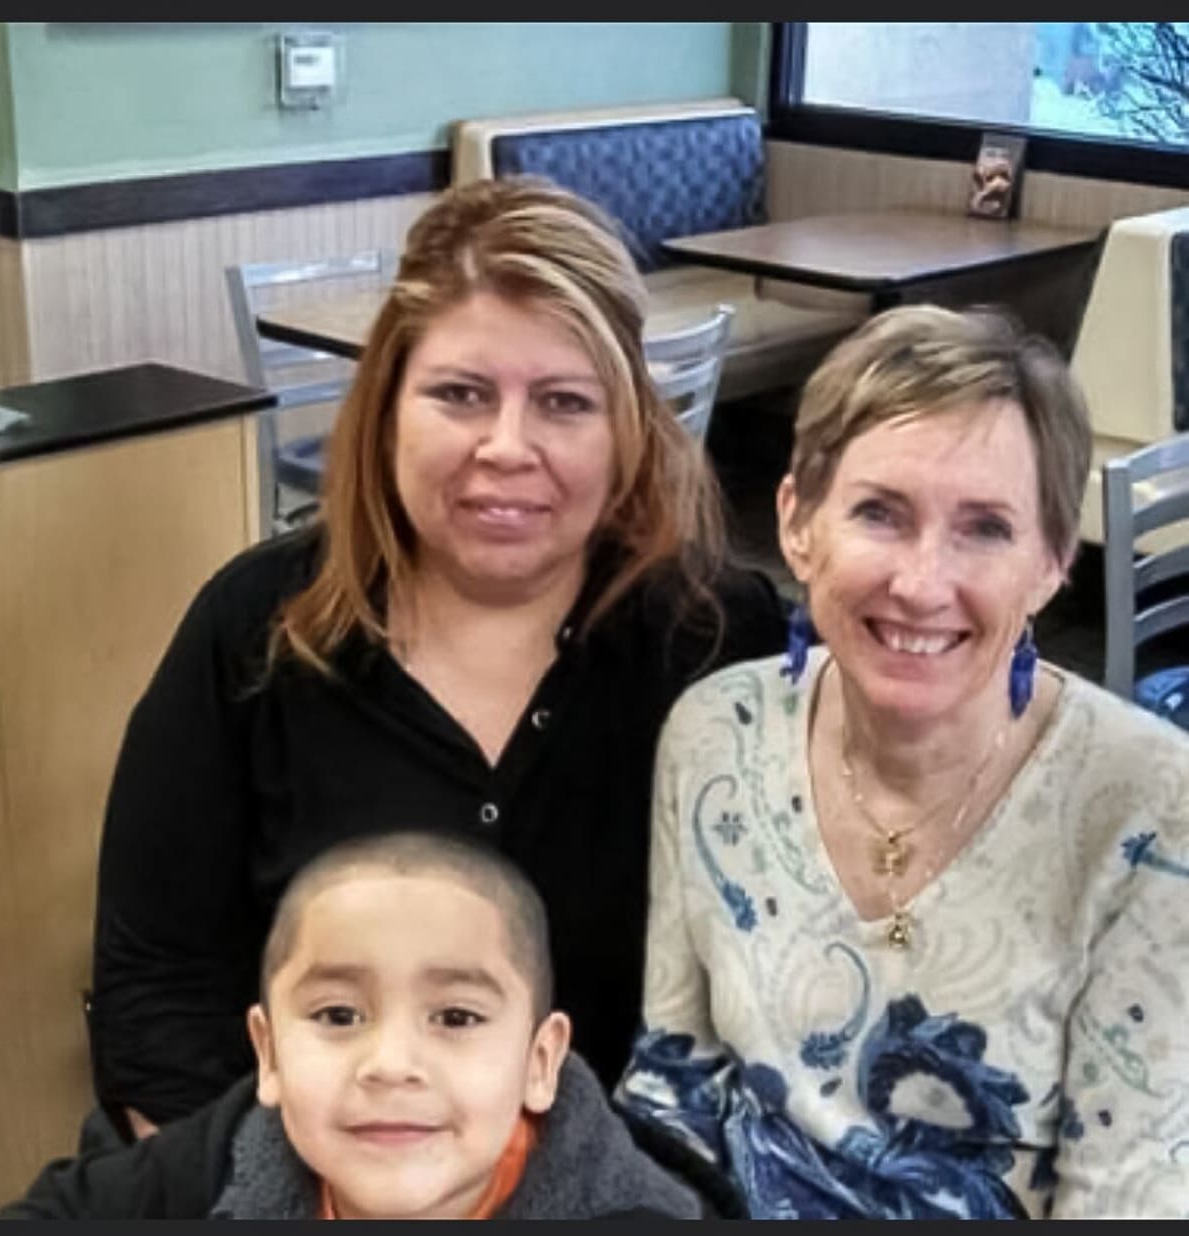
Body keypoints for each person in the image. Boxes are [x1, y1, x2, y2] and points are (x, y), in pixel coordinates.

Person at [86, 175, 785, 1140]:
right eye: (459, 394)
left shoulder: (718, 639)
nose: (507, 446)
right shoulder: (253, 628)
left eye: (564, 402)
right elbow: (156, 991)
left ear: (627, 429)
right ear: (386, 409)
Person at [617, 305, 1189, 1219]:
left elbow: (1131, 1200)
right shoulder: (714, 730)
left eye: (985, 528)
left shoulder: (1154, 809)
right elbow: (670, 1087)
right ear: (797, 524)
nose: (922, 584)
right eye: (879, 513)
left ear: (1049, 563)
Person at [3, 831, 741, 1219]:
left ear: (539, 1062)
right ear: (268, 1054)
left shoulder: (638, 1209)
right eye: (337, 1015)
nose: (390, 1064)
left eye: (455, 1016)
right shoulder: (227, 1154)